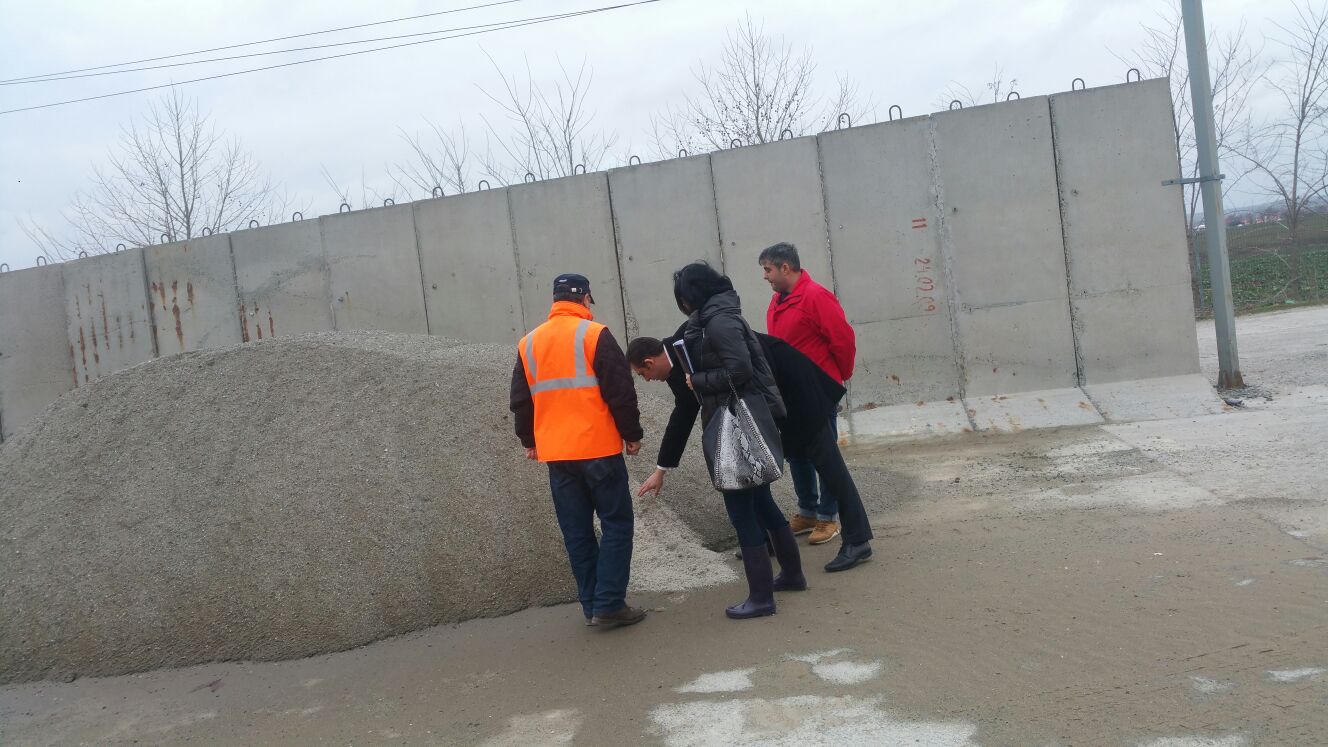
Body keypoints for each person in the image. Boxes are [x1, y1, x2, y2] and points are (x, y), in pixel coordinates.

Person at [628, 329, 873, 574]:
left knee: (830, 466)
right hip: (768, 399)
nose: (646, 380)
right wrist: (661, 469)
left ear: (649, 362)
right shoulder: (681, 358)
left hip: (794, 388)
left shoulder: (701, 334)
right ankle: (770, 540)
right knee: (759, 471)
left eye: (642, 374)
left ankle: (858, 540)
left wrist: (702, 381)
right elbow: (684, 412)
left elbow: (740, 370)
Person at [510, 273, 647, 628]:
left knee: (577, 531)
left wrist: (529, 440)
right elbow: (620, 390)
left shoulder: (529, 342)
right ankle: (609, 604)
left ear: (555, 300)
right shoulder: (594, 334)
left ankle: (591, 606)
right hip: (598, 448)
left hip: (558, 456)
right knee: (616, 524)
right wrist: (632, 434)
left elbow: (521, 400)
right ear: (585, 298)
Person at [670, 261, 805, 620]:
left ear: (693, 294)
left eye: (683, 296)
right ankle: (792, 575)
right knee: (761, 502)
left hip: (735, 421)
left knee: (741, 509)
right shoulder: (717, 317)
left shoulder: (719, 322)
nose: (682, 304)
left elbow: (740, 370)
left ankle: (761, 597)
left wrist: (698, 381)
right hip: (735, 416)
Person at [760, 243, 870, 561]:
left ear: (785, 267)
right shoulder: (778, 301)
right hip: (791, 393)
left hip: (817, 389)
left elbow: (843, 339)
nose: (765, 276)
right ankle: (807, 511)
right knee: (797, 454)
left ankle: (827, 517)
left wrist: (838, 377)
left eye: (768, 269)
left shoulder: (815, 296)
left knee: (825, 455)